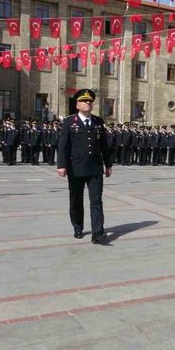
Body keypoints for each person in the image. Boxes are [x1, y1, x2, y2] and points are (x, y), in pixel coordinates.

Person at [57, 89, 112, 245]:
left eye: (90, 101)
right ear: (77, 105)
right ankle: (78, 226)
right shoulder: (69, 122)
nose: (88, 103)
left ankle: (98, 233)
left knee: (96, 201)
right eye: (84, 101)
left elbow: (104, 145)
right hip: (76, 167)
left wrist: (108, 164)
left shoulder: (98, 121)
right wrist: (61, 165)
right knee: (76, 200)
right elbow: (63, 146)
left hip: (95, 167)